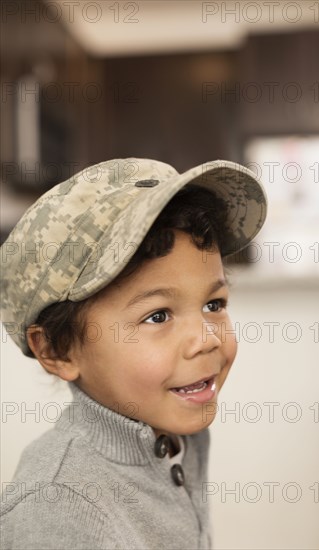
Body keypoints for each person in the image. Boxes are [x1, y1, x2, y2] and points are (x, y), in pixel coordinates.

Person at [0, 158, 267, 549]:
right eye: (158, 315)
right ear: (57, 350)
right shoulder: (58, 510)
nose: (207, 339)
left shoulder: (176, 434)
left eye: (214, 303)